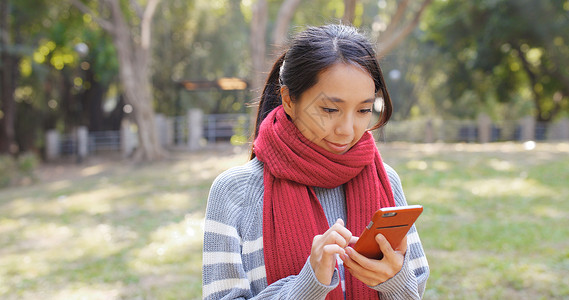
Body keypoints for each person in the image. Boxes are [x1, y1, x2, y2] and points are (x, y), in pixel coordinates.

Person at [202, 24, 429, 299]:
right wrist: (309, 283)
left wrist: (394, 280)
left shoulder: (386, 180)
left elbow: (414, 290)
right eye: (330, 109)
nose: (347, 129)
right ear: (288, 100)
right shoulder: (234, 191)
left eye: (364, 110)